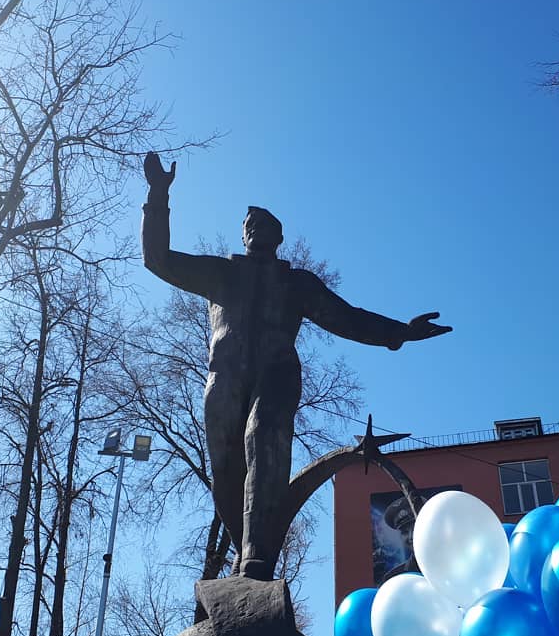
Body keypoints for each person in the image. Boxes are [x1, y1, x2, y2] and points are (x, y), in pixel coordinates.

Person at [142, 152, 451, 579]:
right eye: (249, 224)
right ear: (243, 235)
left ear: (278, 237)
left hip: (277, 376)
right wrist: (158, 196)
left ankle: (255, 550)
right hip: (225, 379)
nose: (254, 228)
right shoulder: (220, 274)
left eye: (263, 224)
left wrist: (401, 332)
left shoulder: (295, 284)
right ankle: (246, 547)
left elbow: (348, 318)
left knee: (263, 440)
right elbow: (158, 259)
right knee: (226, 472)